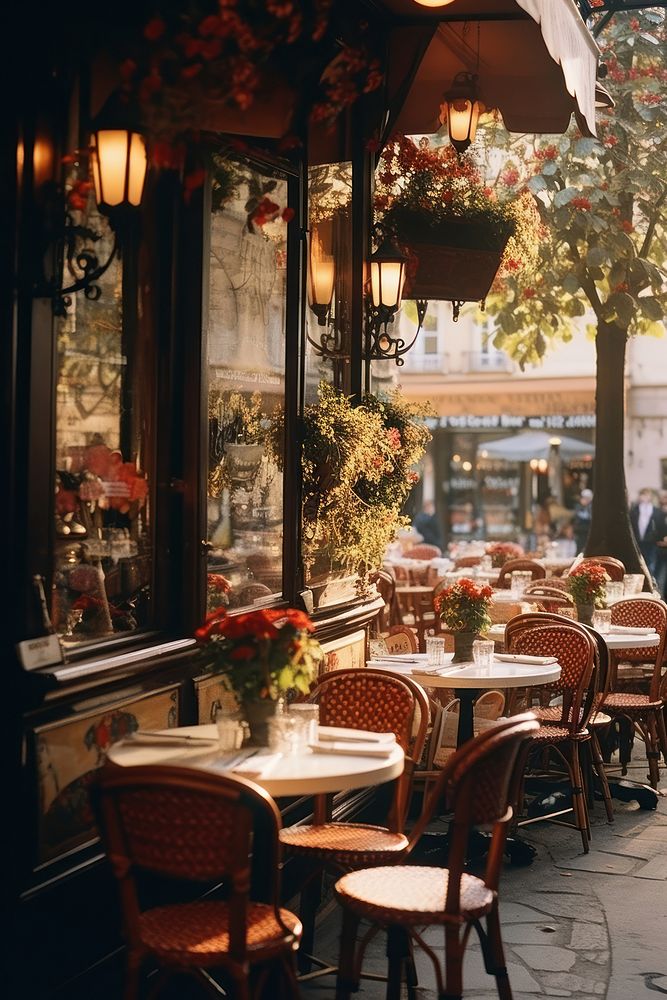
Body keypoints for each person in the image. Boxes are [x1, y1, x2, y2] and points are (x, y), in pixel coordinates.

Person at [629, 488, 666, 578]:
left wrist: (661, 538)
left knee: (651, 564)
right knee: (638, 563)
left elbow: (661, 526)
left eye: (646, 495)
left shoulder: (657, 511)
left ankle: (651, 581)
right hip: (637, 542)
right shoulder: (634, 510)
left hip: (651, 542)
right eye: (642, 495)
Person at [572, 488, 593, 555]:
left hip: (588, 531)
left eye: (587, 498)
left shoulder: (591, 507)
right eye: (584, 498)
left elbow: (589, 517)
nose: (585, 500)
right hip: (580, 531)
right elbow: (576, 517)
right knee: (579, 548)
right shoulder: (578, 507)